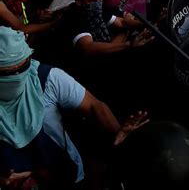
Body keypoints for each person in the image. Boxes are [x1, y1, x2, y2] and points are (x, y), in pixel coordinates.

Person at [0, 26, 148, 189]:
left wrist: (118, 134)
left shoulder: (48, 78)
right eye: (7, 73)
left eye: (22, 67)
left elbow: (93, 106)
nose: (17, 77)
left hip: (67, 174)